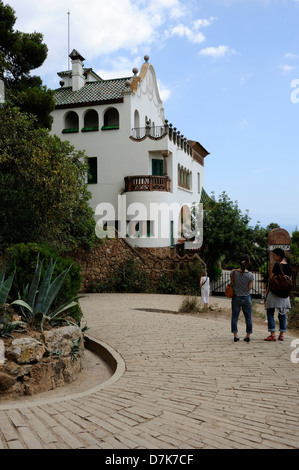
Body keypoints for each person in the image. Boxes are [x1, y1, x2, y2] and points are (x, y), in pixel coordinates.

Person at [264, 248, 292, 341]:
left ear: (279, 255)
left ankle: (272, 334)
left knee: (270, 311)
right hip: (285, 294)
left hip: (275, 292)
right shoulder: (289, 266)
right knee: (283, 313)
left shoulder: (277, 265)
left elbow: (271, 278)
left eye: (274, 255)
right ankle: (281, 334)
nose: (273, 257)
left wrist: (267, 289)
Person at [231, 254, 254, 343]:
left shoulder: (233, 273)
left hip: (236, 297)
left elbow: (232, 284)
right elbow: (250, 287)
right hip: (247, 298)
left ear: (239, 262)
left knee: (235, 317)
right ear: (248, 263)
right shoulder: (250, 275)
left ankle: (235, 335)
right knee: (248, 317)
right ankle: (248, 335)